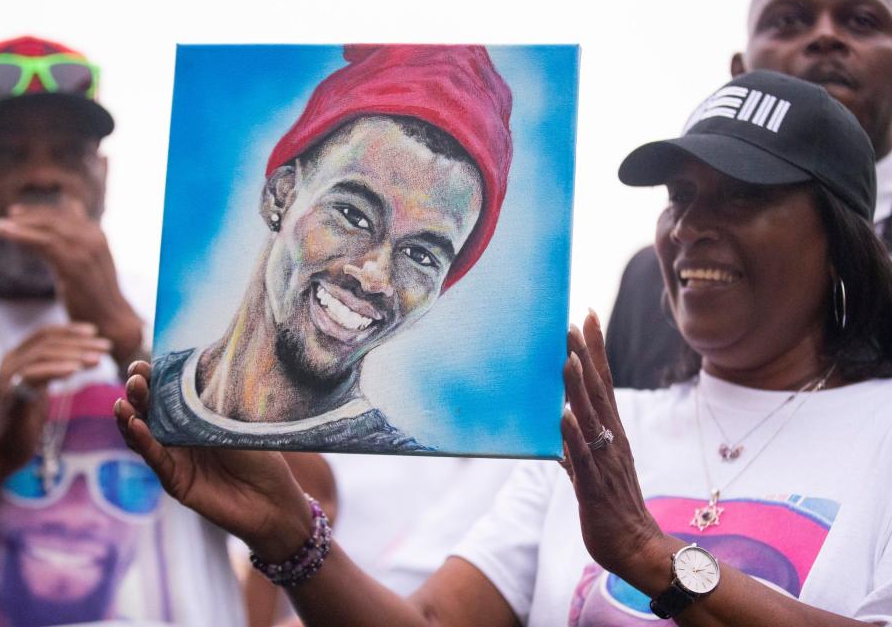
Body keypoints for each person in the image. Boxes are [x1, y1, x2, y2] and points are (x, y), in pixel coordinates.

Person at [118, 70, 892, 625]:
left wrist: (655, 562)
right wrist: (291, 538)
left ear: (839, 241)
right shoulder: (587, 438)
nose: (691, 225)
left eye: (745, 197)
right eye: (681, 196)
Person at [0, 36, 333, 626]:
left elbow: (314, 503)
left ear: (102, 175)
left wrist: (127, 335)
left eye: (68, 154)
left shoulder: (194, 312)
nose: (41, 177)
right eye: (4, 157)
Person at [150, 45, 513, 453]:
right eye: (353, 215)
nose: (374, 276)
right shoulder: (144, 392)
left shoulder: (403, 474)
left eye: (421, 256)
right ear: (281, 196)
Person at [606, 0, 892, 389]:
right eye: (788, 21)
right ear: (741, 73)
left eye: (862, 20)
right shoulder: (647, 280)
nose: (825, 37)